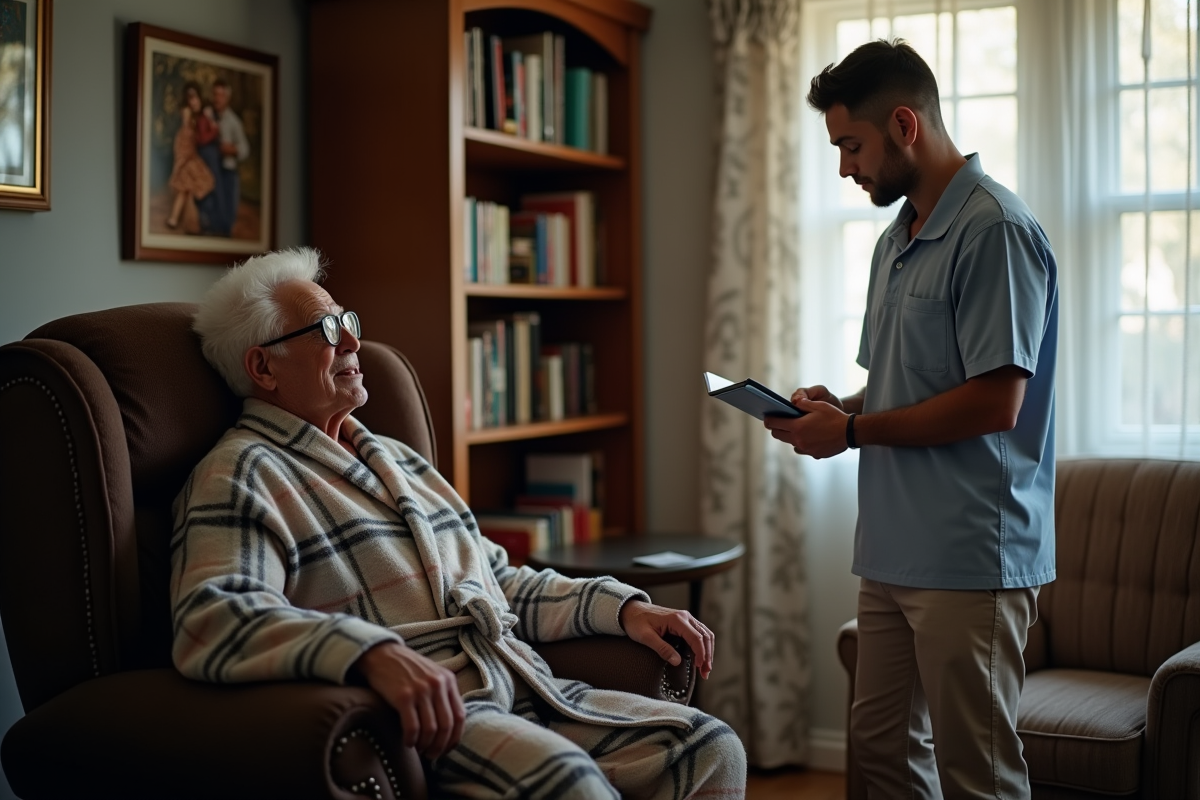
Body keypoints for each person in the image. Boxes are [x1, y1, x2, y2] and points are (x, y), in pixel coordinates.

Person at [175, 247, 746, 799]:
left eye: (347, 320)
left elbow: (498, 579)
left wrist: (624, 608)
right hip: (439, 717)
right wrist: (368, 653)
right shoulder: (243, 472)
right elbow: (216, 614)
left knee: (710, 746)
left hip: (527, 684)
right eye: (326, 329)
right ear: (263, 368)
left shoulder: (396, 459)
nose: (352, 340)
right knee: (568, 782)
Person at [767, 40, 1058, 799]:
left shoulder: (995, 230)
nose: (844, 168)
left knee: (978, 773)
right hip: (891, 547)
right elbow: (902, 385)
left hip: (969, 552)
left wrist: (855, 433)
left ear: (904, 125)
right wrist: (841, 411)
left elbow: (997, 401)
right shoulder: (895, 241)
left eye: (851, 146)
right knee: (879, 754)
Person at [197, 77, 250, 236]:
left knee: (227, 206)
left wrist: (232, 150)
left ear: (227, 98)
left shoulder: (234, 122)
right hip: (210, 168)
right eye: (215, 94)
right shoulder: (207, 115)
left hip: (227, 169)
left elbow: (244, 148)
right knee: (208, 202)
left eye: (221, 95)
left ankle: (224, 232)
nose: (217, 98)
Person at [165, 82, 218, 233]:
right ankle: (182, 220)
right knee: (189, 183)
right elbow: (187, 139)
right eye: (190, 98)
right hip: (187, 154)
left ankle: (177, 220)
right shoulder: (187, 116)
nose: (193, 101)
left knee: (186, 187)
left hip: (190, 153)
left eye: (195, 98)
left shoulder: (199, 115)